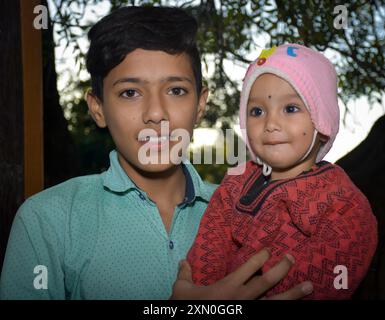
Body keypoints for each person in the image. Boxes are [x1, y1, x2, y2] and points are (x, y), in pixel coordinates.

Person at [0, 7, 312, 300]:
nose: (156, 113)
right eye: (130, 92)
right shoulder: (48, 219)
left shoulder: (252, 214)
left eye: (176, 90)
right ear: (98, 108)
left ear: (200, 104)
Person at [187, 44, 378, 299]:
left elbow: (332, 273)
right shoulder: (235, 182)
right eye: (257, 112)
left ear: (321, 122)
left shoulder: (342, 203)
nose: (270, 123)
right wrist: (202, 292)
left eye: (290, 109)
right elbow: (208, 247)